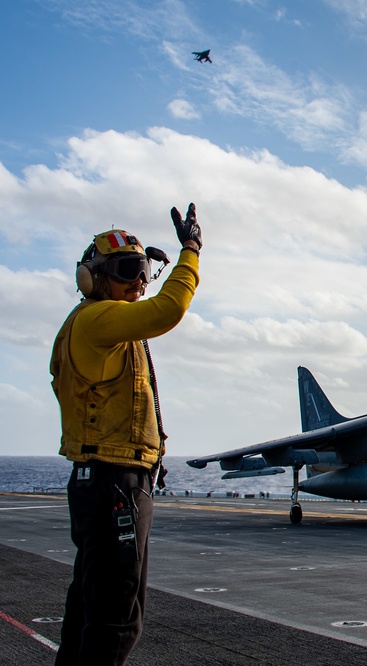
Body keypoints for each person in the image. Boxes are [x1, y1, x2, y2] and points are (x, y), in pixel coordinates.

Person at [51, 203, 203, 665]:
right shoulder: (98, 319)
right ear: (92, 278)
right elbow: (170, 307)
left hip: (106, 482)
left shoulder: (109, 327)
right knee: (118, 619)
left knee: (88, 610)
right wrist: (191, 251)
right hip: (114, 483)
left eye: (143, 270)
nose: (139, 280)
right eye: (126, 270)